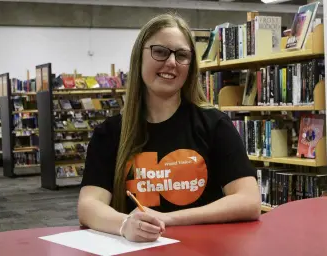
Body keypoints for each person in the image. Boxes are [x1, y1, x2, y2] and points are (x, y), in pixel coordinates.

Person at [78, 13, 261, 243]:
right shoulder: (110, 133)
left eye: (182, 55)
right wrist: (124, 225)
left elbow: (249, 201)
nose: (172, 62)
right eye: (160, 52)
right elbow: (88, 205)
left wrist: (170, 219)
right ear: (139, 58)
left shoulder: (215, 125)